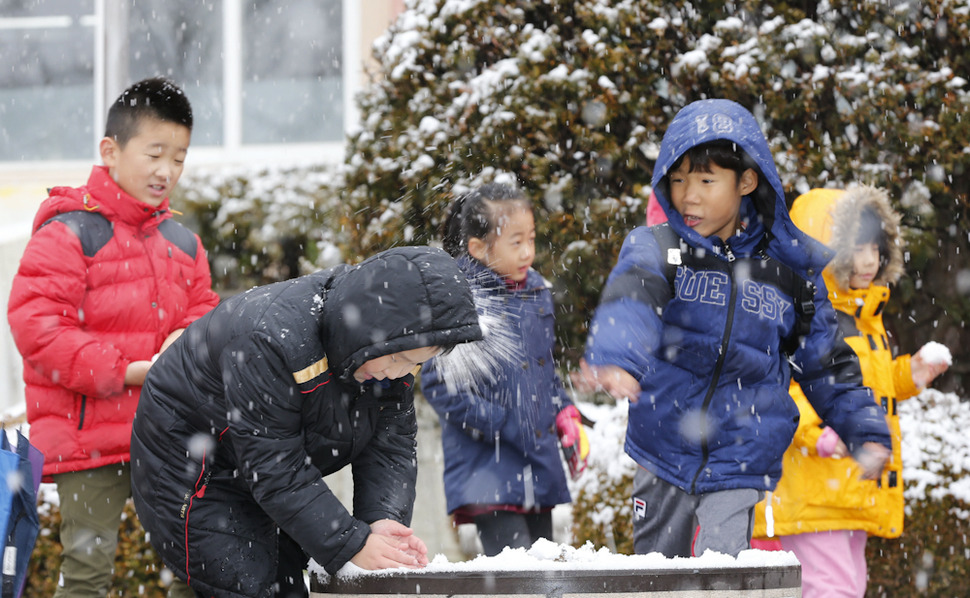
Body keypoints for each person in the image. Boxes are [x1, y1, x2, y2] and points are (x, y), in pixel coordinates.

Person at [575, 99, 892, 559]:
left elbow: (825, 360)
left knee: (720, 575)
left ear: (746, 181)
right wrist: (617, 356)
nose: (690, 195)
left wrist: (863, 428)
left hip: (741, 452)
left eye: (706, 180)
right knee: (656, 575)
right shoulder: (660, 247)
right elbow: (632, 296)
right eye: (679, 180)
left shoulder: (789, 271)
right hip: (663, 444)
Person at [130, 245, 483, 597]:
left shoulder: (388, 350)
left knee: (286, 584)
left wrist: (382, 519)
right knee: (247, 584)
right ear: (372, 332)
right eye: (401, 359)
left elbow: (390, 445)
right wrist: (351, 542)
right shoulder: (271, 340)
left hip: (256, 466)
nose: (402, 374)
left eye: (417, 363)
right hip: (191, 462)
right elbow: (275, 469)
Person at [6, 77, 220, 597]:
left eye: (180, 158)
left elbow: (206, 317)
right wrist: (122, 370)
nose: (167, 171)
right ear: (110, 150)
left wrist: (186, 342)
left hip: (168, 432)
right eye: (154, 154)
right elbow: (37, 327)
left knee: (198, 560)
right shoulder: (69, 233)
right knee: (87, 567)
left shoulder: (183, 244)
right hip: (88, 436)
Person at [752, 186, 950, 597]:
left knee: (848, 585)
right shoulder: (810, 318)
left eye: (875, 249)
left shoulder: (864, 319)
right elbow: (780, 391)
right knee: (832, 589)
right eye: (856, 248)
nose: (868, 260)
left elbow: (862, 389)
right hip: (811, 491)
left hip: (848, 489)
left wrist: (909, 375)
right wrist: (819, 435)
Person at [419, 183, 588, 556]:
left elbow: (543, 370)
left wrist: (563, 413)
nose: (528, 251)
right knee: (516, 577)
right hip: (487, 468)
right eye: (515, 242)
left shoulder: (536, 291)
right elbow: (439, 383)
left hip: (536, 460)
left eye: (531, 238)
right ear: (478, 248)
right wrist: (502, 423)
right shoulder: (461, 299)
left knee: (545, 570)